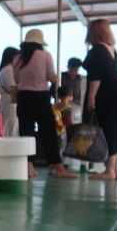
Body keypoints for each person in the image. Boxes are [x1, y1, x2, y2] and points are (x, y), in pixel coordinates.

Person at [13, 29, 76, 178]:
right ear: (40, 43)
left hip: (23, 97)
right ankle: (56, 166)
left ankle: (28, 167)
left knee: (26, 133)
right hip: (40, 97)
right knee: (49, 133)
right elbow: (51, 77)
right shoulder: (45, 56)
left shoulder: (17, 58)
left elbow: (16, 79)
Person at [83, 19, 117, 180]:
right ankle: (115, 170)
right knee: (116, 131)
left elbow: (95, 78)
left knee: (108, 131)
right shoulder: (113, 50)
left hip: (105, 95)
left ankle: (109, 171)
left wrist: (91, 98)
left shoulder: (97, 50)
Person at [0, 46, 19, 138]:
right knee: (10, 130)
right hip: (10, 105)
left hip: (8, 104)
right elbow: (13, 88)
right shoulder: (8, 70)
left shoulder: (6, 70)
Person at [61, 57, 86, 122]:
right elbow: (53, 91)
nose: (73, 72)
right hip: (61, 104)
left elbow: (82, 96)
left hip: (76, 106)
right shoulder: (61, 77)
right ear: (68, 67)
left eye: (76, 70)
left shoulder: (81, 80)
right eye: (72, 69)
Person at [52, 85, 74, 159]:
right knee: (60, 151)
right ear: (70, 96)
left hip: (51, 131)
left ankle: (52, 166)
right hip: (61, 132)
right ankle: (58, 167)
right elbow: (70, 123)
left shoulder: (53, 106)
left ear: (58, 96)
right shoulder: (68, 108)